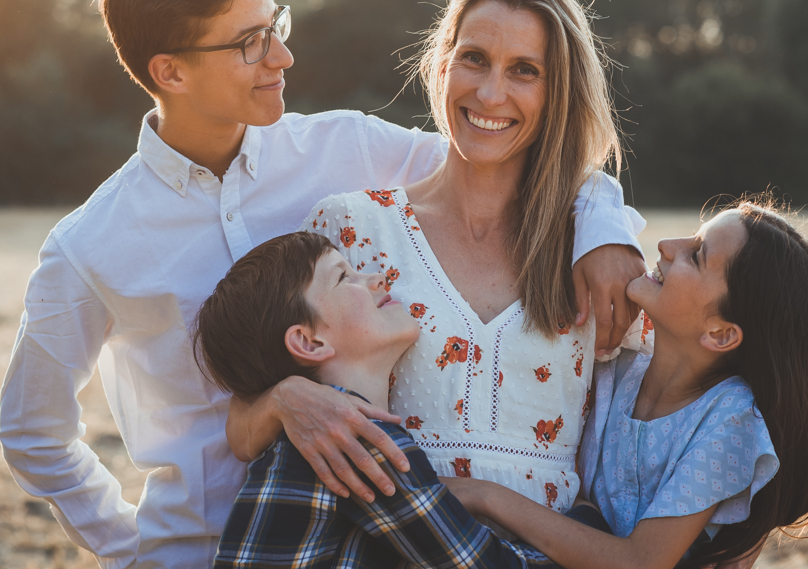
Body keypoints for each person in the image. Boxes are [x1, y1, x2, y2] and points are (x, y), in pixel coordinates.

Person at [0, 0, 645, 568]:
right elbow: (34, 434)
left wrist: (604, 228)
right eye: (250, 43)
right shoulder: (88, 246)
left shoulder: (349, 151)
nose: (281, 57)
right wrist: (135, 549)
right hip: (194, 550)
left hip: (340, 540)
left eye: (275, 24)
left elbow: (508, 162)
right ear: (170, 71)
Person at [230, 0, 649, 514]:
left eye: (525, 70)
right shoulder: (350, 228)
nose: (491, 94)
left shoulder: (595, 245)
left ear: (558, 94)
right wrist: (285, 398)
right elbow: (242, 429)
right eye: (474, 59)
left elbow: (670, 418)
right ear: (441, 66)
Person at [441, 201, 808, 569]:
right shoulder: (616, 366)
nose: (666, 246)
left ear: (721, 334)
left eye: (696, 255)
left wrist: (485, 496)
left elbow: (640, 561)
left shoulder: (729, 423)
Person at [199, 231, 558, 568]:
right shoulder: (348, 435)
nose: (376, 278)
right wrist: (588, 516)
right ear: (309, 342)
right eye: (343, 277)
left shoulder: (303, 436)